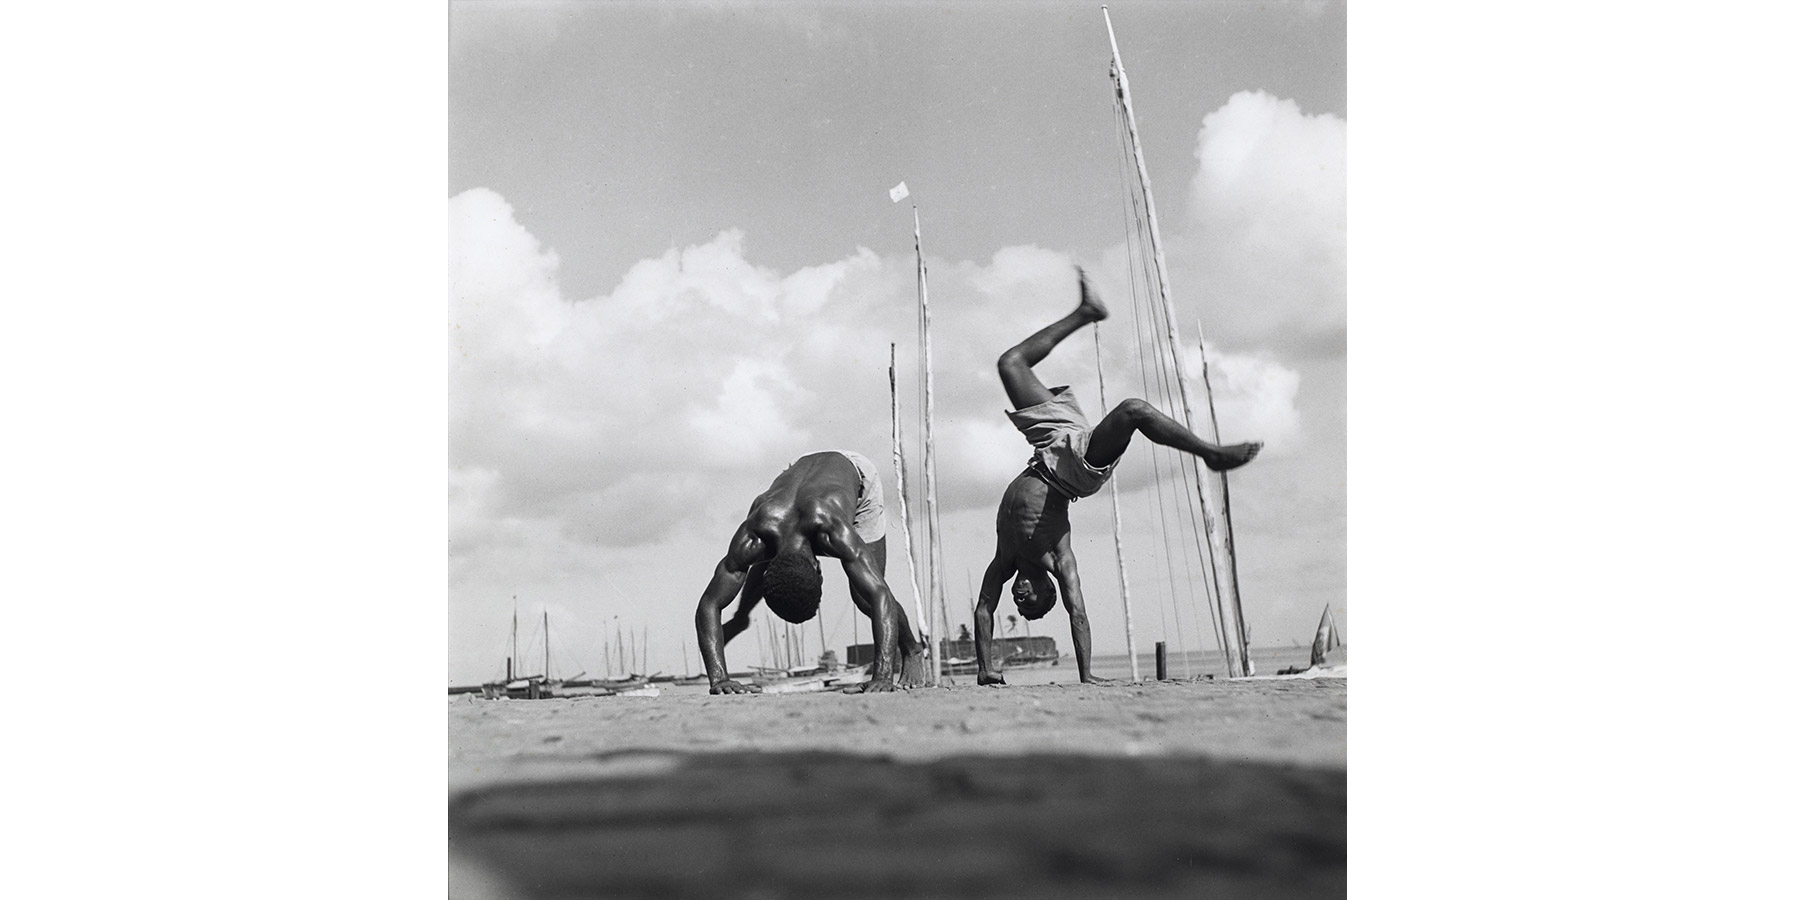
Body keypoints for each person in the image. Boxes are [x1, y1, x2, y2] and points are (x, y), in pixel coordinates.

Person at [973, 268, 1262, 686]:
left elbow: (983, 610)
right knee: (1133, 410)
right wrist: (1086, 676)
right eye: (1031, 603)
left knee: (1009, 363)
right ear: (1046, 588)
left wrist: (985, 669)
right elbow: (1079, 613)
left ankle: (1087, 311)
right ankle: (1210, 454)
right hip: (1073, 469)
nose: (1020, 600)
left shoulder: (1004, 561)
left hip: (1050, 444)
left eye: (1019, 606)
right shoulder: (1058, 560)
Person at [695, 450, 926, 694]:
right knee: (747, 562)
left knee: (864, 597)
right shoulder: (756, 533)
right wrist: (719, 679)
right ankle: (742, 615)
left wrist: (883, 675)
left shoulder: (833, 531)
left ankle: (912, 649)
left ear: (818, 569)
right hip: (801, 473)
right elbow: (709, 604)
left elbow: (880, 594)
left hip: (856, 475)